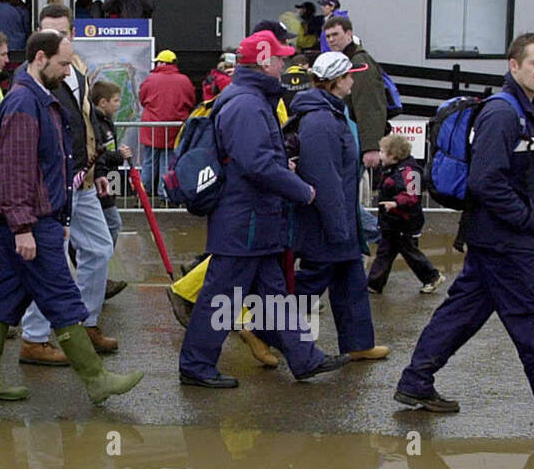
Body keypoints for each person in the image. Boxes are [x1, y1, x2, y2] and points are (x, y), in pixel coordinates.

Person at [394, 32, 534, 431]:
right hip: (504, 243)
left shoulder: (526, 113)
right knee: (532, 323)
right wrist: (529, 221)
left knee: (461, 313)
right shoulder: (502, 114)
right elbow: (486, 181)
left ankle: (415, 381)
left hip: (498, 239)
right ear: (514, 66)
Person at [0, 28, 142, 404]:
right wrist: (23, 227)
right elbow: (15, 170)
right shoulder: (23, 104)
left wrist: (57, 220)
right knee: (62, 296)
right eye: (64, 64)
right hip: (30, 220)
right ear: (40, 58)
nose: (68, 72)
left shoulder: (37, 99)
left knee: (6, 297)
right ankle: (96, 379)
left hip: (37, 219)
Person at [177, 29, 347, 388]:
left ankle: (305, 358)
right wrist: (303, 191)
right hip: (245, 220)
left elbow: (256, 160)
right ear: (265, 62)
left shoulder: (250, 99)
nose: (285, 63)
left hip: (253, 220)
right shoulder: (247, 104)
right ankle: (196, 365)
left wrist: (283, 171)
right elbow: (257, 164)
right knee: (220, 297)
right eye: (281, 58)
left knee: (273, 296)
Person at [18, 5, 118, 364]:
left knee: (100, 249)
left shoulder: (77, 71)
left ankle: (87, 321)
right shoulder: (31, 78)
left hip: (84, 179)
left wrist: (99, 169)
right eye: (49, 32)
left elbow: (86, 124)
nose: (56, 39)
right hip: (54, 184)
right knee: (52, 261)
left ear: (73, 35)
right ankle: (34, 336)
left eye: (62, 33)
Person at [289, 50, 389, 362]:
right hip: (329, 218)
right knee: (314, 280)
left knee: (350, 280)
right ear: (334, 82)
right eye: (348, 75)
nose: (352, 80)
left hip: (339, 215)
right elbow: (324, 178)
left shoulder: (329, 112)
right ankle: (259, 326)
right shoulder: (321, 119)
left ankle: (359, 342)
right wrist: (337, 224)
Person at [366, 132, 441, 294]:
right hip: (393, 221)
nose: (379, 154)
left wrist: (395, 203)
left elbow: (412, 196)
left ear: (393, 155)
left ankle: (432, 276)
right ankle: (374, 283)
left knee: (409, 253)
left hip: (403, 221)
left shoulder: (409, 171)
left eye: (382, 151)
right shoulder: (394, 168)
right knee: (386, 252)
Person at [321, 15, 386, 175]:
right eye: (328, 36)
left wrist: (370, 147)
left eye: (336, 34)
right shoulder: (344, 62)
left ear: (349, 34)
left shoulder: (359, 63)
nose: (331, 40)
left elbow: (369, 105)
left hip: (357, 140)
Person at [89, 79, 130, 297]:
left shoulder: (106, 120)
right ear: (103, 102)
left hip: (109, 176)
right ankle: (97, 271)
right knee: (112, 223)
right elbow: (101, 152)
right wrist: (117, 155)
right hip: (101, 178)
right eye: (115, 100)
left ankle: (99, 273)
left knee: (110, 222)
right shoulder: (96, 122)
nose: (118, 104)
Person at [138, 49, 196, 200]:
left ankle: (143, 194)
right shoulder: (184, 80)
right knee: (167, 162)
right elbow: (190, 101)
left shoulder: (151, 79)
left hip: (151, 128)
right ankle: (165, 195)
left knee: (149, 162)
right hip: (173, 129)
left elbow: (142, 99)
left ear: (162, 62)